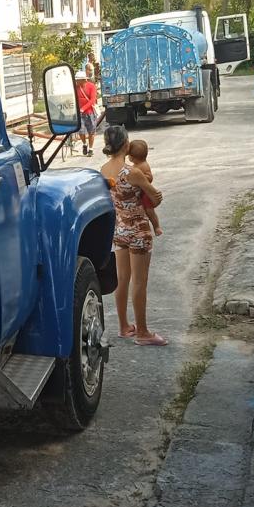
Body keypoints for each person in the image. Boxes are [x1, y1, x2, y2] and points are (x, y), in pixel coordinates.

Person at [99, 125, 167, 346]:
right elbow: (154, 198)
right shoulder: (132, 172)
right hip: (138, 230)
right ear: (126, 145)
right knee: (140, 282)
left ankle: (124, 326)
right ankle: (143, 333)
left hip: (119, 229)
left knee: (123, 279)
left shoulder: (103, 170)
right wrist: (155, 196)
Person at [127, 139, 163, 237]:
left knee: (149, 211)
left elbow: (150, 177)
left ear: (132, 157)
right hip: (140, 192)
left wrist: (142, 178)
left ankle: (156, 226)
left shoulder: (143, 166)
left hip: (145, 194)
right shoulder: (137, 164)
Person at [74, 70, 98, 156]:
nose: (76, 81)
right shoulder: (75, 87)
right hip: (79, 113)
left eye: (78, 80)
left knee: (91, 131)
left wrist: (83, 108)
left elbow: (92, 100)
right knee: (81, 131)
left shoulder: (91, 86)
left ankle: (91, 149)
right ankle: (84, 144)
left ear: (84, 80)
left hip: (90, 112)